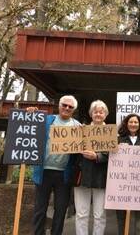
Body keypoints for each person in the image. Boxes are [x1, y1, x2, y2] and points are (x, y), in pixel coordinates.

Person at [31, 95, 80, 235]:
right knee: (40, 208)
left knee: (61, 209)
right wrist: (30, 113)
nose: (66, 108)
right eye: (64, 105)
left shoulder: (78, 126)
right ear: (59, 106)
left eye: (70, 107)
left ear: (74, 110)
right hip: (43, 171)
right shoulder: (47, 120)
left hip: (64, 174)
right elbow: (29, 126)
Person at [74, 100, 109, 235]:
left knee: (100, 215)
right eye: (95, 112)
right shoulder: (81, 130)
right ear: (91, 114)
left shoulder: (112, 133)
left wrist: (97, 156)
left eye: (101, 112)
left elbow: (113, 155)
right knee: (81, 214)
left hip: (102, 178)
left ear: (105, 115)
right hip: (83, 176)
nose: (98, 114)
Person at [116, 113, 140, 235]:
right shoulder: (118, 139)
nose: (133, 124)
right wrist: (117, 148)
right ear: (126, 124)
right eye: (130, 122)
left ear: (139, 125)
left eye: (136, 122)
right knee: (122, 216)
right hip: (122, 184)